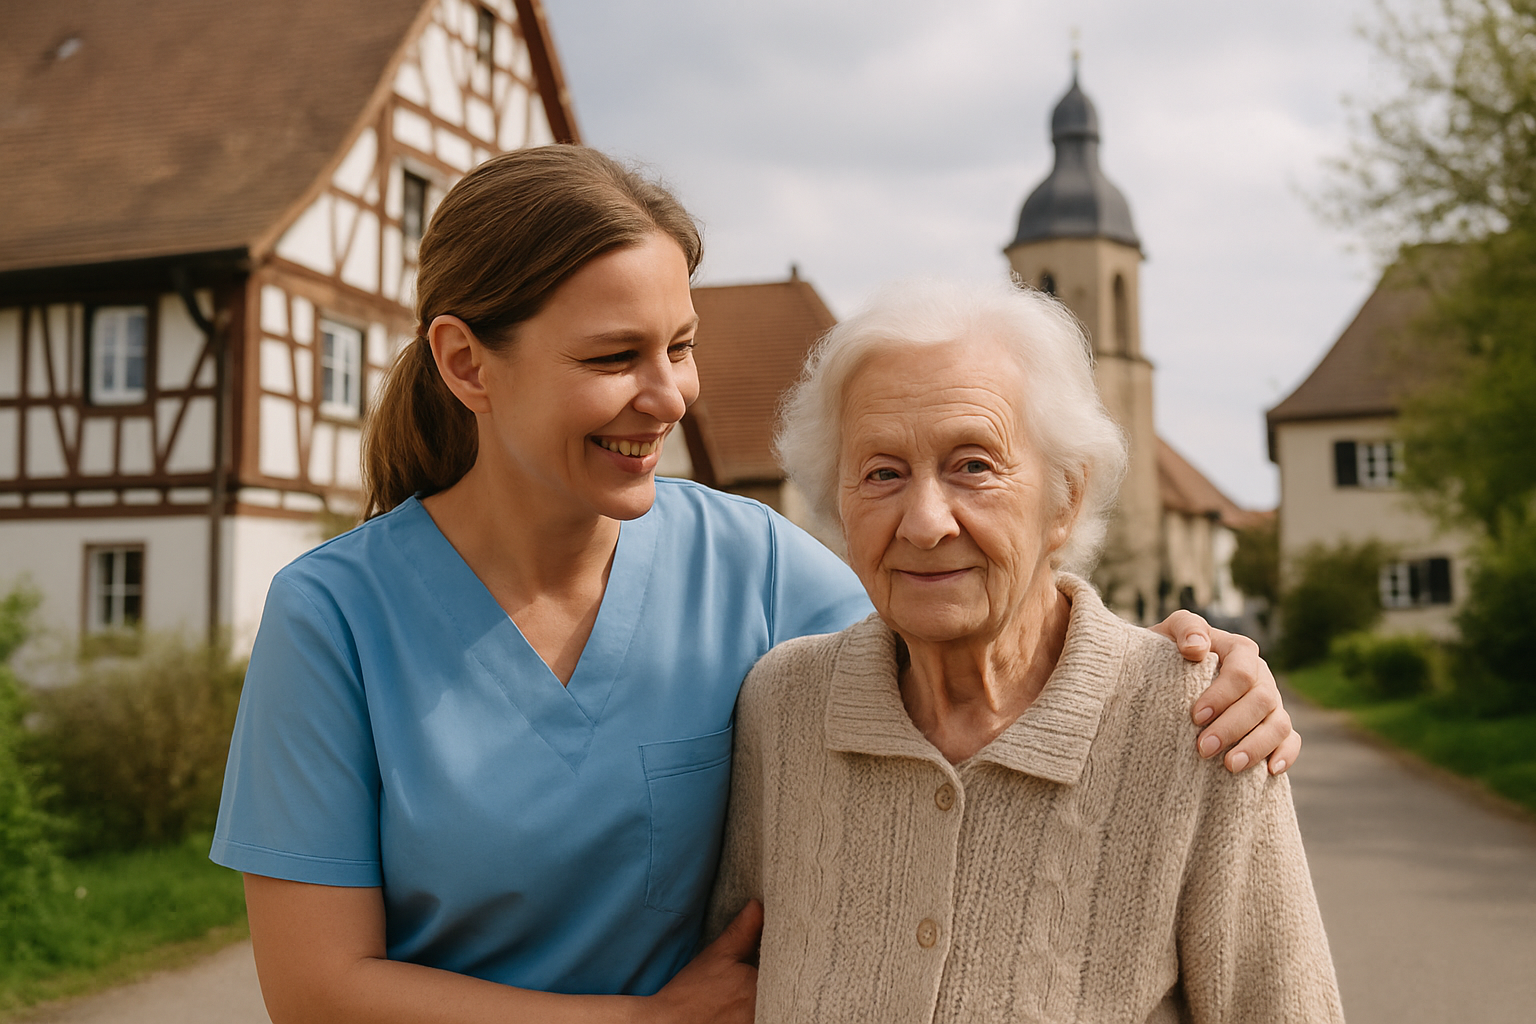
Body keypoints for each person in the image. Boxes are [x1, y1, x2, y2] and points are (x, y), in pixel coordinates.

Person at [211, 147, 1301, 1024]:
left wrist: (1190, 668)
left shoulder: (751, 562)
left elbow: (966, 622)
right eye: (614, 358)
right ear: (465, 364)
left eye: (680, 347)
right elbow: (318, 990)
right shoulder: (334, 617)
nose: (669, 395)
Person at [707, 279, 1342, 1022]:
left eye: (973, 465)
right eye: (882, 473)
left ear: (1064, 497)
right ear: (838, 504)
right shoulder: (783, 707)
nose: (925, 522)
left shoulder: (1202, 721)